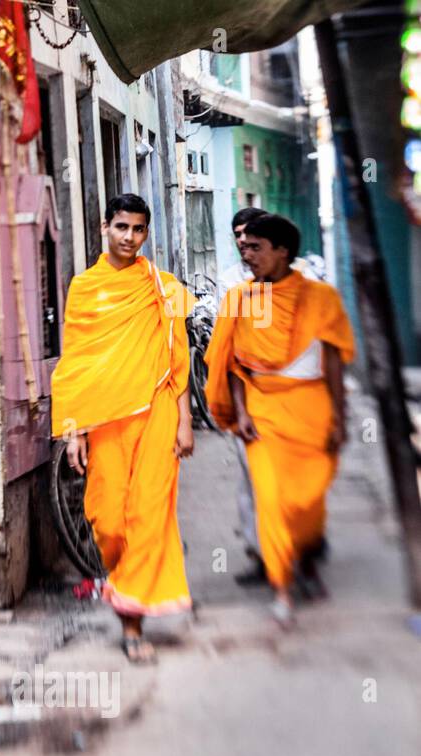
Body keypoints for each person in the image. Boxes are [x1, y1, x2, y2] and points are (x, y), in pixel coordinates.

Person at [51, 194, 195, 664]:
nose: (129, 237)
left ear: (146, 233)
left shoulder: (162, 287)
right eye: (121, 227)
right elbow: (76, 363)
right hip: (107, 421)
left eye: (137, 229)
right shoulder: (85, 289)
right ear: (104, 228)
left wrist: (186, 421)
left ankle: (133, 624)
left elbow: (178, 359)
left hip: (157, 414)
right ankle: (127, 584)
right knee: (109, 519)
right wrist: (73, 430)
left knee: (148, 516)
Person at [204, 213, 355, 627]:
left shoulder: (320, 298)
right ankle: (283, 586)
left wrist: (340, 417)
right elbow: (232, 362)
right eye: (244, 247)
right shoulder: (239, 299)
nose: (246, 254)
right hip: (263, 411)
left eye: (256, 247)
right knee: (268, 500)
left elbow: (335, 361)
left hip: (310, 409)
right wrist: (243, 411)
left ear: (283, 251)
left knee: (304, 502)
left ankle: (304, 561)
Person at [219, 207, 318, 585]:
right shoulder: (232, 285)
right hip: (252, 400)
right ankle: (261, 556)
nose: (244, 244)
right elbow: (231, 353)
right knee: (252, 484)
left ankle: (300, 555)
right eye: (238, 237)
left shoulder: (300, 283)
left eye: (251, 237)